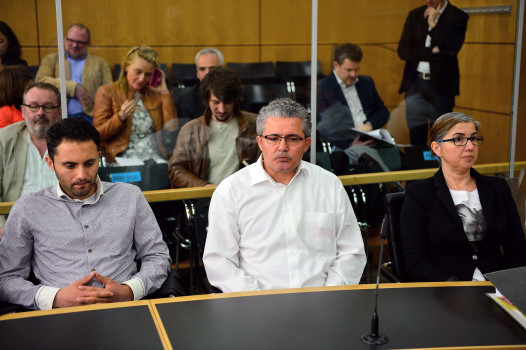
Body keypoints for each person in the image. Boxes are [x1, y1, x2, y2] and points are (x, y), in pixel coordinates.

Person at [0, 118, 171, 310]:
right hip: (58, 318)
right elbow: (7, 278)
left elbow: (157, 256)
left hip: (126, 312)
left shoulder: (129, 197)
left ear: (99, 157)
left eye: (89, 163)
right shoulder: (28, 208)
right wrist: (54, 298)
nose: (81, 175)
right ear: (50, 162)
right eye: (70, 166)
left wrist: (130, 290)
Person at [203, 98, 366, 292]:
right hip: (257, 307)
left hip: (322, 304)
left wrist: (328, 295)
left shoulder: (329, 185)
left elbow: (351, 252)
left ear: (306, 144)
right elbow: (220, 262)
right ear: (260, 142)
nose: (282, 147)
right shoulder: (231, 192)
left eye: (292, 138)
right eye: (273, 138)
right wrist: (258, 300)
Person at [400, 112, 526, 282]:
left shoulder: (497, 188)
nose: (470, 146)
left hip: (497, 287)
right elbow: (414, 259)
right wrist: (451, 286)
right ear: (437, 148)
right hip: (445, 291)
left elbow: (517, 247)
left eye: (473, 138)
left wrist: (510, 286)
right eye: (458, 139)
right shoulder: (420, 193)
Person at [169, 66, 259, 188]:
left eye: (227, 103)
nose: (221, 109)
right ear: (207, 99)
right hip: (207, 198)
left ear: (234, 100)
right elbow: (176, 169)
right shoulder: (190, 130)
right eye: (216, 102)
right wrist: (203, 186)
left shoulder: (256, 125)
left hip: (244, 196)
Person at [397, 0, 469, 145]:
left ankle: (441, 168)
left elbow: (451, 48)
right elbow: (403, 51)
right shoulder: (415, 15)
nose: (428, 1)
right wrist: (432, 52)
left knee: (443, 136)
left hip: (441, 87)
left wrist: (433, 24)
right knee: (416, 134)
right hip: (415, 83)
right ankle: (420, 167)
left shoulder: (458, 16)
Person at [94, 46, 178, 164]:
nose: (142, 79)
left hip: (155, 157)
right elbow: (97, 135)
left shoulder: (156, 94)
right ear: (126, 66)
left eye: (148, 74)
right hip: (122, 157)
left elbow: (171, 128)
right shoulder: (107, 92)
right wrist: (120, 118)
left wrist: (165, 94)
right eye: (138, 72)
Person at [0, 82, 62, 238]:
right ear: (22, 111)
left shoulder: (71, 140)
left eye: (48, 107)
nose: (40, 112)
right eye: (33, 106)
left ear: (59, 112)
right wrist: (2, 228)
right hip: (14, 227)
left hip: (60, 227)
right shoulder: (4, 139)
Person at [317, 43, 390, 150]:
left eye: (356, 70)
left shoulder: (367, 83)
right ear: (336, 65)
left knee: (401, 161)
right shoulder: (323, 87)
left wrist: (369, 124)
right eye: (349, 70)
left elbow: (383, 112)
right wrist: (351, 145)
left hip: (371, 140)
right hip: (343, 145)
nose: (354, 75)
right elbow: (323, 128)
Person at [36, 23, 112, 124]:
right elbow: (40, 81)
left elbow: (110, 91)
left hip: (91, 117)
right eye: (71, 40)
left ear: (89, 44)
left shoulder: (101, 63)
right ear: (65, 39)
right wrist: (74, 88)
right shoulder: (52, 59)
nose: (75, 45)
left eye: (80, 42)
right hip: (58, 116)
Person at [176, 48, 223, 124]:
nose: (207, 73)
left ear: (222, 70)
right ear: (197, 73)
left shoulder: (239, 94)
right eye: (202, 69)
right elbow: (187, 132)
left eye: (212, 68)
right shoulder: (186, 99)